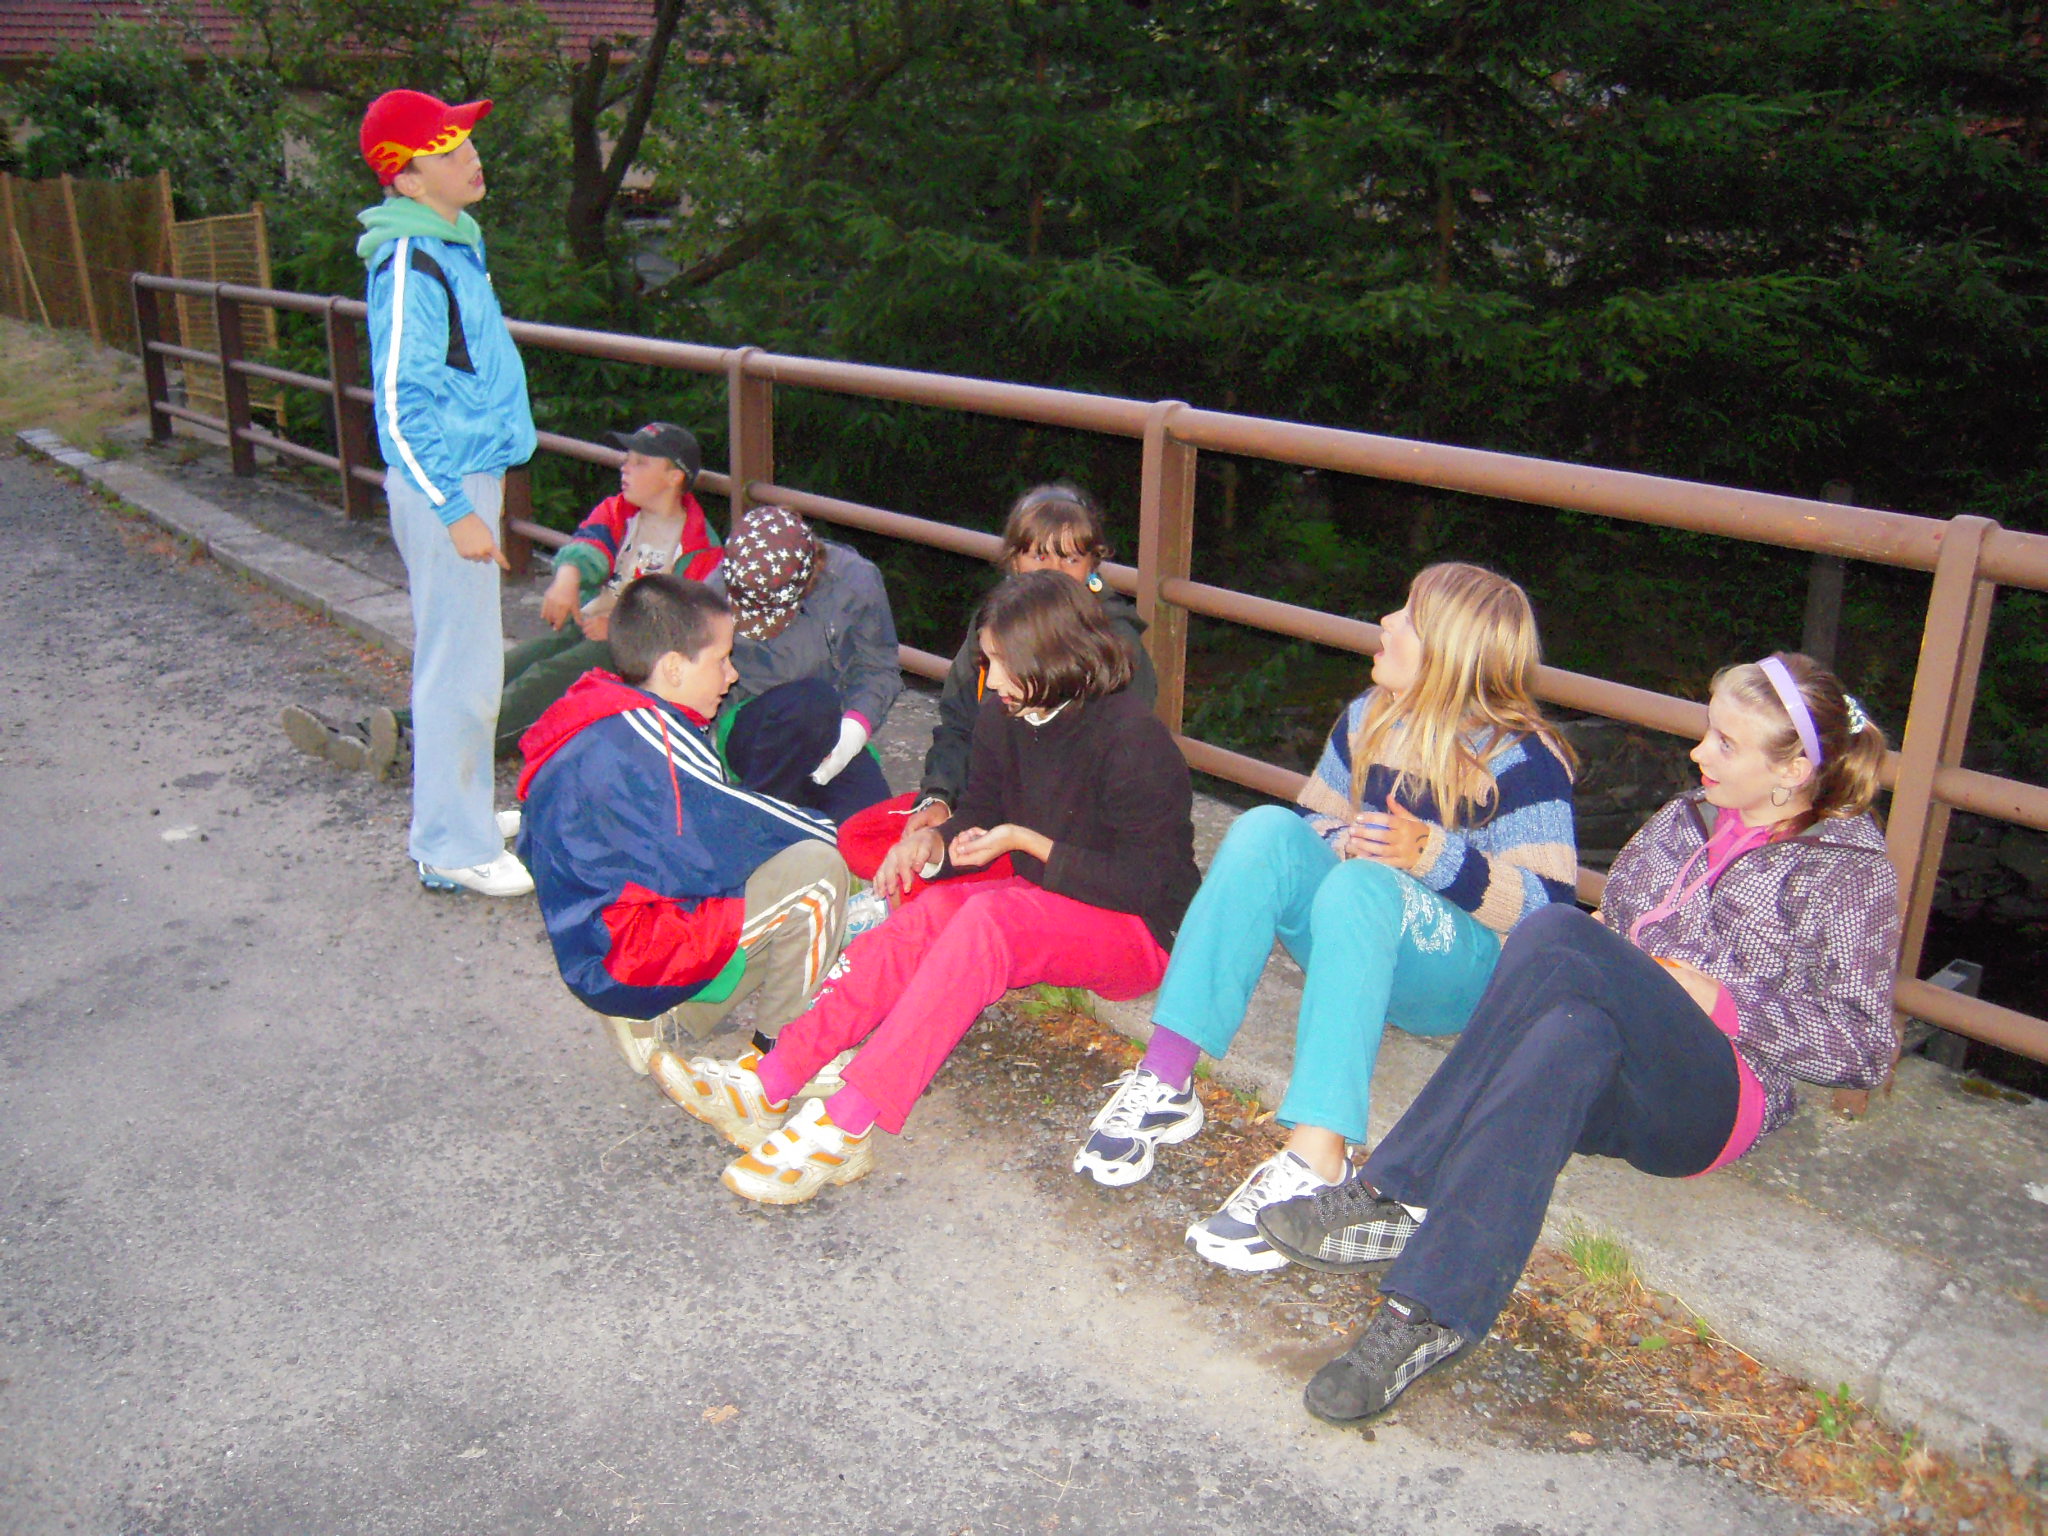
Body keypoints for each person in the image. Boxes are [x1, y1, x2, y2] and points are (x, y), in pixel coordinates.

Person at [1257, 653, 1899, 1426]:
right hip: (1613, 1065)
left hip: (1715, 1097)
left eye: (1726, 744)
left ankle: (1392, 1190)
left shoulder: (1849, 870)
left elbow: (1865, 1047)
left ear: (1792, 771)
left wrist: (1720, 1001)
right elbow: (1614, 933)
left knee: (1555, 930)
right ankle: (1428, 1314)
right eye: (1708, 731)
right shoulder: (1685, 819)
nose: (1699, 751)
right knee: (1570, 1033)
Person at [1072, 563, 1579, 1277]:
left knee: (1365, 885)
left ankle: (1319, 1156)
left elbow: (1551, 909)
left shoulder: (1522, 759)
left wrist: (1433, 856)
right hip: (1359, 937)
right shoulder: (1371, 715)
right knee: (1265, 829)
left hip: (1458, 977)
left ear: (1448, 652)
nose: (1386, 623)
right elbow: (1314, 819)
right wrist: (1347, 841)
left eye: (1407, 617)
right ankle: (1167, 1077)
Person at [648, 570, 1201, 1204]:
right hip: (1050, 899)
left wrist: (1025, 842)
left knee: (991, 924)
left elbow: (1148, 882)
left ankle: (846, 1123)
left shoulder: (1132, 738)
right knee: (930, 911)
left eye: (1001, 662)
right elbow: (982, 814)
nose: (990, 677)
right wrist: (934, 846)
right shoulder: (1004, 716)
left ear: (1052, 657)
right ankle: (773, 1077)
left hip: (1140, 931)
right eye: (987, 659)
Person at [516, 575, 851, 1073]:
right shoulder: (658, 742)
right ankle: (782, 1061)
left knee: (768, 893)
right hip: (622, 957)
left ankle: (666, 1023)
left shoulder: (598, 711)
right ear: (674, 667)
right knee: (819, 872)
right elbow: (739, 827)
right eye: (721, 660)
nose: (732, 676)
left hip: (588, 939)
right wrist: (840, 838)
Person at [289, 422, 724, 776]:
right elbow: (588, 547)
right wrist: (567, 580)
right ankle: (372, 729)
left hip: (631, 654)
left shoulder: (698, 547)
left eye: (640, 462)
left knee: (538, 685)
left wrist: (619, 627)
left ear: (674, 476)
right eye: (626, 458)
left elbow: (679, 625)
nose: (624, 468)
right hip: (588, 627)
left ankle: (422, 747)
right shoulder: (620, 511)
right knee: (500, 667)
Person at [351, 88, 537, 895]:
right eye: (450, 150)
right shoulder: (412, 263)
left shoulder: (450, 243)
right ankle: (451, 846)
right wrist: (456, 511)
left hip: (463, 476)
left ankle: (457, 816)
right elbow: (400, 403)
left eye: (467, 142)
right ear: (408, 178)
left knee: (466, 662)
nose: (472, 158)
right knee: (459, 668)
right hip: (446, 484)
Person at [837, 481, 1156, 899]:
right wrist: (939, 798)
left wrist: (1001, 830)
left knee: (928, 878)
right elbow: (957, 724)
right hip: (980, 802)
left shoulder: (1113, 644)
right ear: (1014, 561)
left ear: (1093, 565)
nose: (1054, 571)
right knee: (861, 837)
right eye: (1038, 555)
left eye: (1071, 558)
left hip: (1056, 833)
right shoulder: (996, 624)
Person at [716, 505, 902, 823]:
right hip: (753, 722)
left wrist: (854, 730)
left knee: (872, 824)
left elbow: (879, 666)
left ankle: (784, 822)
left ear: (809, 583)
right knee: (811, 701)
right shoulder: (715, 589)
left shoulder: (856, 582)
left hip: (832, 728)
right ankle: (759, 821)